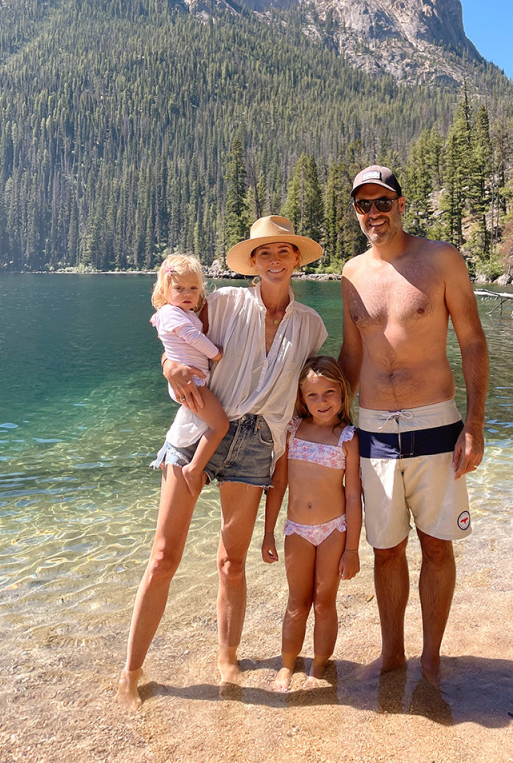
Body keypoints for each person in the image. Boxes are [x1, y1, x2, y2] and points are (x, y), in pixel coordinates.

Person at [116, 217, 327, 707]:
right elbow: (177, 338)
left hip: (257, 442)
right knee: (163, 557)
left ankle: (227, 657)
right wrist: (169, 369)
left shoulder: (311, 325)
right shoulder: (224, 302)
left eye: (284, 251)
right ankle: (131, 669)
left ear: (296, 258)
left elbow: (307, 391)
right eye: (264, 252)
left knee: (232, 562)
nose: (274, 260)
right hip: (198, 428)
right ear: (252, 262)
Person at [338, 165, 489, 686]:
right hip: (374, 428)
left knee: (437, 546)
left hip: (435, 422)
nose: (374, 213)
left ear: (401, 205)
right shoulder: (351, 274)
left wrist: (474, 423)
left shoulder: (441, 259)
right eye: (364, 205)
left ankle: (431, 657)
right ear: (356, 212)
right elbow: (351, 354)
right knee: (385, 549)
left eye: (383, 202)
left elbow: (472, 340)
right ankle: (392, 654)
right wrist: (331, 423)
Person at [261, 356, 361, 691]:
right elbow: (279, 484)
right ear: (302, 399)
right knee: (297, 601)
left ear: (342, 393)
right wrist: (268, 533)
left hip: (334, 529)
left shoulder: (347, 438)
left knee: (324, 601)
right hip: (297, 530)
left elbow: (353, 497)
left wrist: (352, 550)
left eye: (329, 392)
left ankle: (318, 666)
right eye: (313, 395)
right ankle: (287, 664)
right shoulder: (293, 430)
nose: (322, 401)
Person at [149, 254, 229, 497]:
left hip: (192, 380)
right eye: (179, 288)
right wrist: (216, 354)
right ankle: (194, 468)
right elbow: (193, 338)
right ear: (164, 290)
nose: (187, 294)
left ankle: (182, 459)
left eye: (193, 288)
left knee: (209, 422)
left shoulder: (185, 313)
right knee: (220, 424)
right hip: (189, 383)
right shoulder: (171, 313)